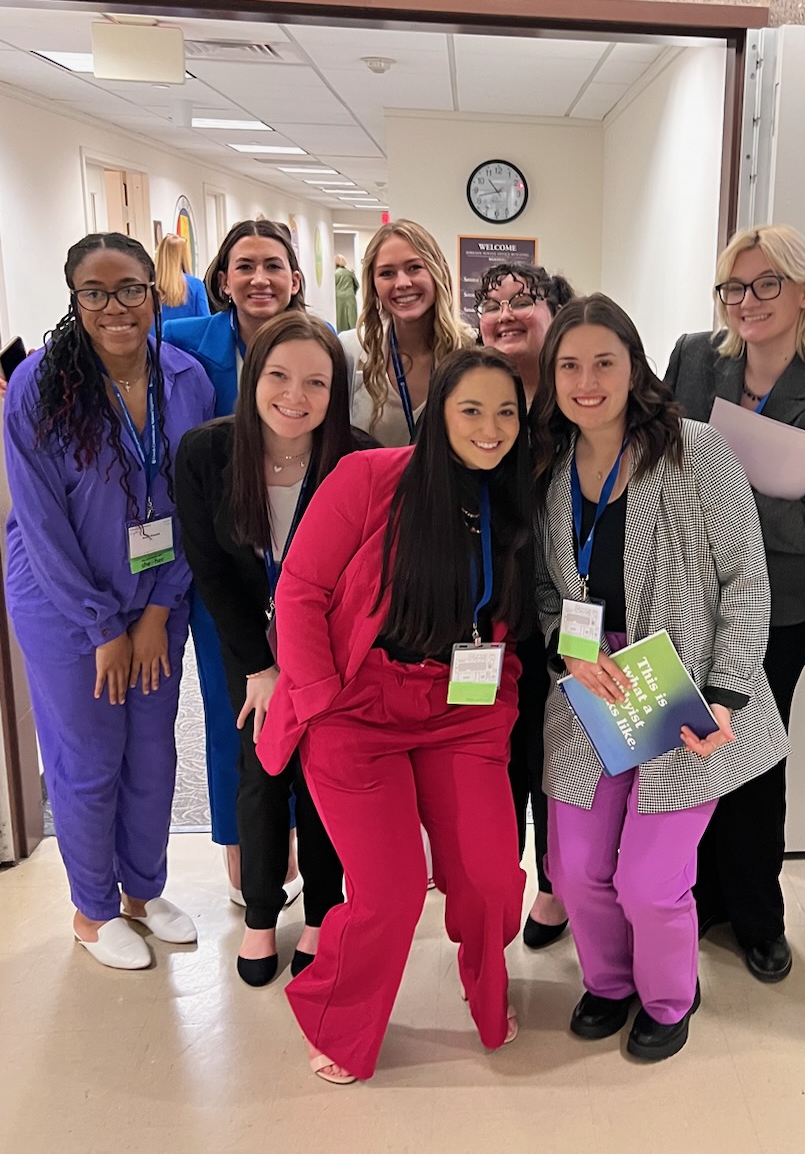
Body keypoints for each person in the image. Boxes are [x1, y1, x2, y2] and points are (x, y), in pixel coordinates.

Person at [257, 346, 536, 1084]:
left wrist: (501, 701)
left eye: (506, 411)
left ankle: (488, 990)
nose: (490, 427)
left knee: (491, 878)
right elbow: (300, 592)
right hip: (356, 705)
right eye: (470, 409)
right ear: (438, 410)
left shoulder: (512, 497)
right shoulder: (370, 478)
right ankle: (340, 1017)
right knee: (390, 890)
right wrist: (315, 703)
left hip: (464, 707)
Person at [533, 294, 789, 1062]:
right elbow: (549, 593)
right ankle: (609, 984)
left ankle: (670, 996)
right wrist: (565, 649)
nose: (587, 380)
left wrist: (726, 692)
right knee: (573, 867)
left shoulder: (695, 449)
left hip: (681, 682)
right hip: (594, 683)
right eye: (569, 365)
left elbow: (747, 579)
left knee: (650, 879)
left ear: (634, 367)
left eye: (604, 362)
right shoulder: (549, 470)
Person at [2, 232, 215, 969]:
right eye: (95, 292)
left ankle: (142, 892)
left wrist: (157, 610)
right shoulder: (39, 385)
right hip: (67, 606)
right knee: (89, 756)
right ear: (75, 301)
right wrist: (101, 625)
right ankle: (92, 911)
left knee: (153, 750)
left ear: (155, 291)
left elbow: (197, 502)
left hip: (160, 597)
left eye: (130, 288)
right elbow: (40, 521)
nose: (115, 306)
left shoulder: (186, 378)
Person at [663, 225, 805, 984]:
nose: (747, 302)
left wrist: (719, 496)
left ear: (804, 294)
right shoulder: (693, 358)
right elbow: (652, 448)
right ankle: (698, 895)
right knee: (684, 745)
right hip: (683, 598)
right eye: (734, 287)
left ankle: (757, 918)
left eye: (766, 285)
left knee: (751, 761)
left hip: (776, 610)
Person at [176, 312, 378, 987]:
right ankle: (261, 917)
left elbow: (363, 573)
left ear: (335, 390)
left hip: (328, 645)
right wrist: (261, 666)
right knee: (260, 769)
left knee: (325, 775)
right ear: (252, 377)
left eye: (316, 383)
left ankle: (323, 912)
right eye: (280, 376)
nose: (296, 396)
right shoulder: (207, 454)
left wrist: (311, 662)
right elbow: (208, 568)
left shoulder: (357, 456)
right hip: (250, 642)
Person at [165, 219, 312, 905]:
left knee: (306, 711)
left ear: (295, 277)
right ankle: (247, 845)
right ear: (221, 278)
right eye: (245, 265)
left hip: (303, 568)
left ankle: (302, 838)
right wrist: (21, 371)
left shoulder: (318, 349)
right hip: (225, 565)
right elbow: (114, 353)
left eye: (273, 265)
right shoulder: (187, 342)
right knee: (238, 710)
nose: (260, 279)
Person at [474, 261, 576, 950]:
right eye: (493, 302)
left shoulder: (579, 401)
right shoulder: (476, 395)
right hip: (490, 621)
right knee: (496, 759)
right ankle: (494, 882)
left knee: (557, 759)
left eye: (524, 302)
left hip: (570, 621)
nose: (507, 313)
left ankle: (556, 885)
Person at [343, 219, 475, 447]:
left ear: (438, 272)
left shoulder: (471, 350)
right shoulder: (351, 350)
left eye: (414, 267)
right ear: (373, 285)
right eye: (387, 273)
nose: (402, 283)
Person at [155, 233, 211, 325]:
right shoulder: (196, 285)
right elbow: (205, 323)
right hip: (189, 339)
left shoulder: (149, 286)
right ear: (184, 257)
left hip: (156, 339)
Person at [334, 253, 359, 334]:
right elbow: (357, 285)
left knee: (341, 317)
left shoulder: (335, 274)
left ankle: (341, 334)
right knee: (351, 316)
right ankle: (354, 333)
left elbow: (332, 286)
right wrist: (352, 292)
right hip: (350, 295)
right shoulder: (349, 273)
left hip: (338, 297)